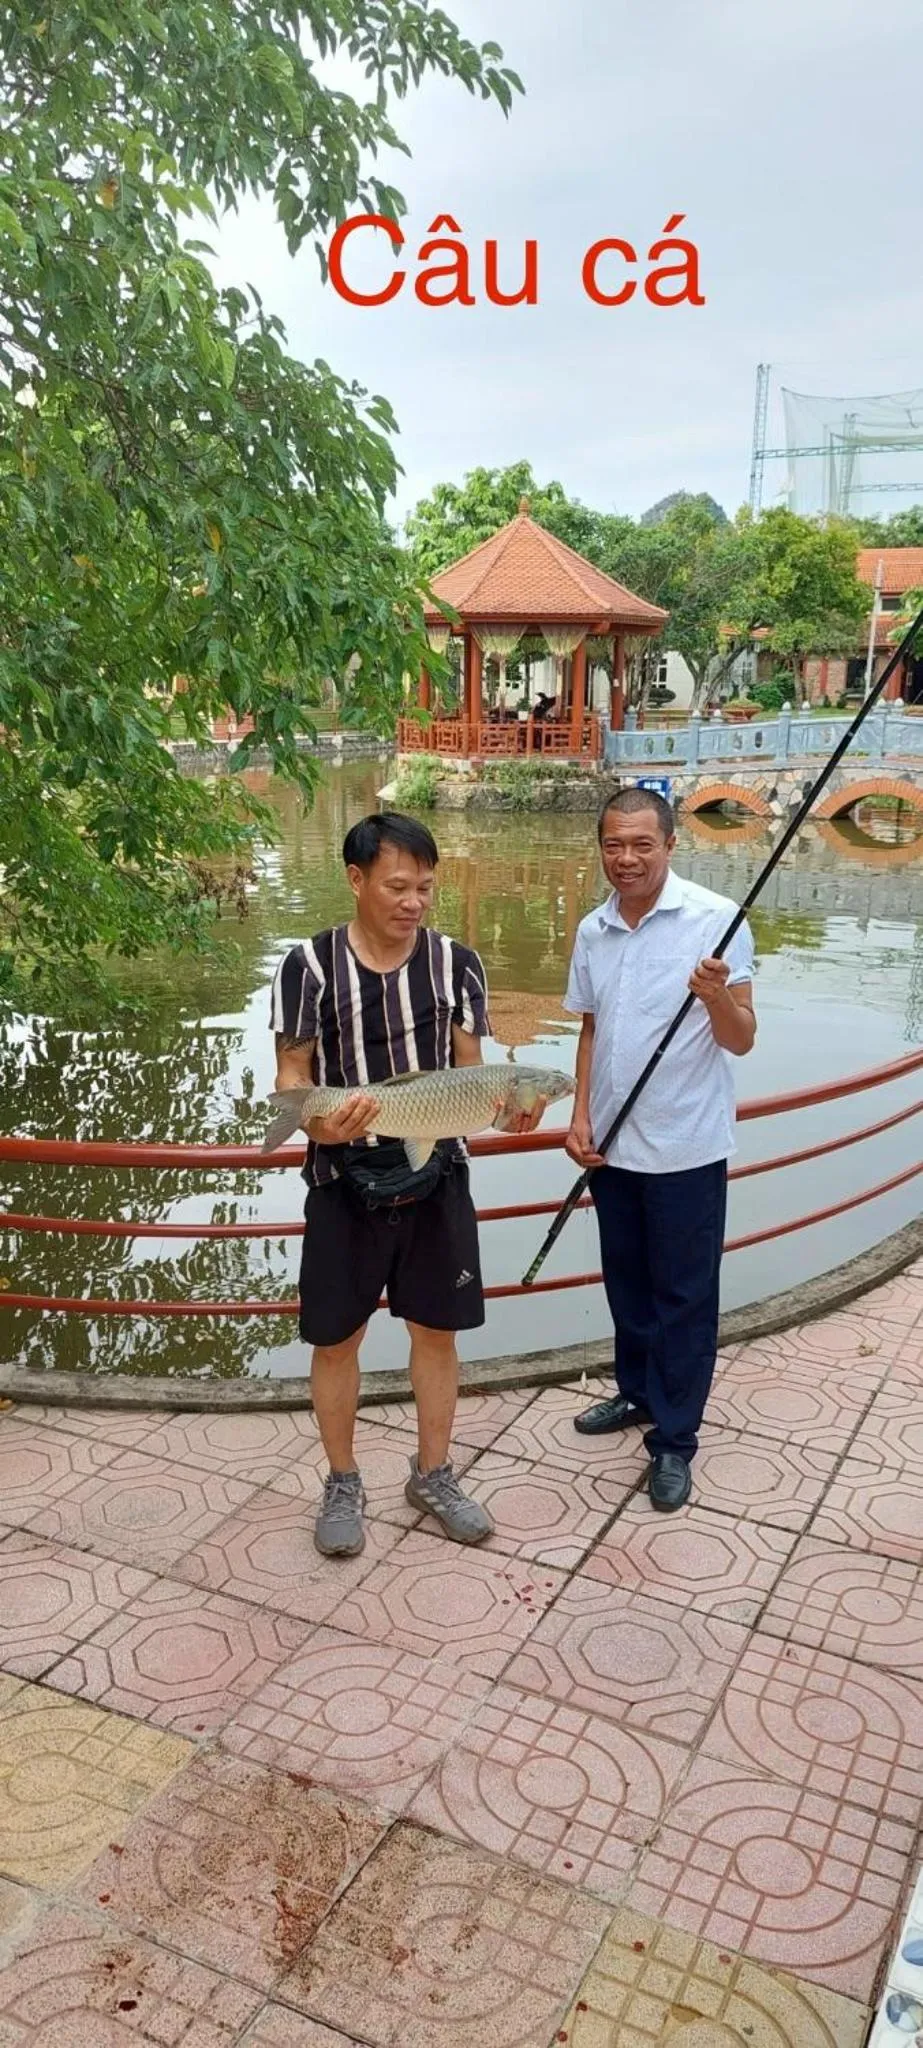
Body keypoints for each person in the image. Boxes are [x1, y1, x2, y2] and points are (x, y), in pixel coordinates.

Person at [270, 811, 548, 1558]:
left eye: (425, 887)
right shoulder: (308, 966)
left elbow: (472, 1074)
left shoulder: (458, 963)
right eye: (397, 886)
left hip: (436, 1178)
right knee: (336, 1340)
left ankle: (433, 1473)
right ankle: (341, 1481)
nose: (413, 902)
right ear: (355, 879)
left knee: (437, 1332)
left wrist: (510, 1111)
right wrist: (320, 1125)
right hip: (342, 1178)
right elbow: (293, 1075)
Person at [563, 788, 756, 1512]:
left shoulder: (716, 920)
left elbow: (742, 1038)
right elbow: (591, 1027)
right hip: (613, 1147)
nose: (626, 858)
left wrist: (715, 997)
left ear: (671, 844)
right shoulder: (593, 929)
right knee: (628, 1286)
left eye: (642, 844)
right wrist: (580, 1114)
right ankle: (638, 1393)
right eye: (613, 844)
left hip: (686, 1148)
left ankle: (674, 1440)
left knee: (684, 1299)